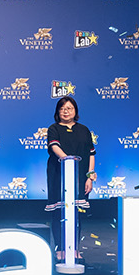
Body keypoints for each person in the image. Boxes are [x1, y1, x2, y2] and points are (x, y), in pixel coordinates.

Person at [45, 95, 96, 260]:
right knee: (59, 212)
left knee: (76, 213)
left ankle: (74, 248)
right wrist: (68, 161)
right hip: (59, 174)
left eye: (69, 108)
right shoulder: (54, 128)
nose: (65, 112)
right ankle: (60, 249)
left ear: (75, 111)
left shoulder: (84, 130)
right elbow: (54, 147)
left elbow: (91, 154)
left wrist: (89, 176)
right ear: (57, 111)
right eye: (62, 108)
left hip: (80, 176)